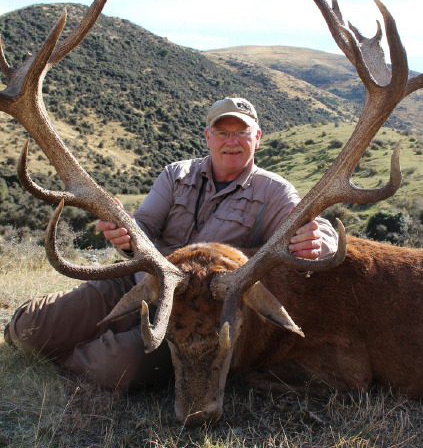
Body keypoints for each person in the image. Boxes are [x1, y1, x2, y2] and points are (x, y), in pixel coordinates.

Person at [4, 97, 337, 390]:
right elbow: (144, 226)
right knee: (26, 330)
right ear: (208, 137)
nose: (232, 142)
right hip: (134, 282)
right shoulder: (176, 174)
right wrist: (126, 232)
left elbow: (313, 227)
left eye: (242, 133)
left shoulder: (274, 192)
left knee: (115, 367)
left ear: (257, 138)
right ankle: (69, 336)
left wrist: (319, 241)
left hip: (196, 319)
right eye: (222, 132)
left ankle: (67, 354)